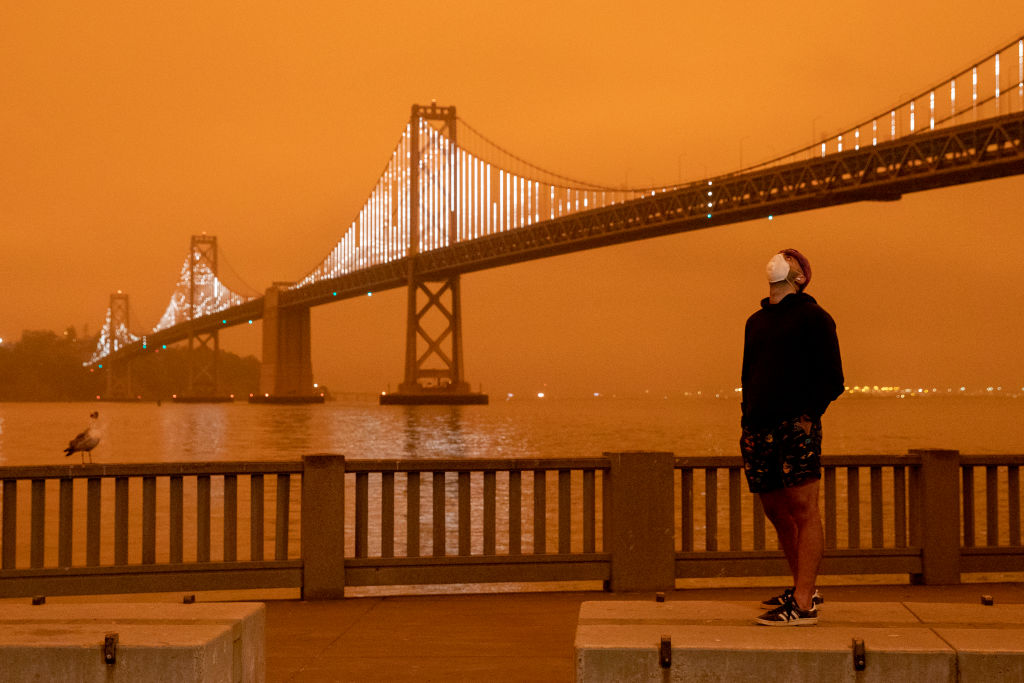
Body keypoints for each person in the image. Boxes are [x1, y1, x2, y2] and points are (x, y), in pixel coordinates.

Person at [740, 248, 844, 626]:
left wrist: (804, 417)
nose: (781, 256)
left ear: (800, 278)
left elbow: (834, 379)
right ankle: (802, 585)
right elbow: (748, 374)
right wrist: (747, 417)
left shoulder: (815, 318)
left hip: (793, 426)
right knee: (776, 511)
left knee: (803, 508)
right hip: (757, 428)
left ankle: (802, 603)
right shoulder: (756, 321)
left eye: (791, 258)